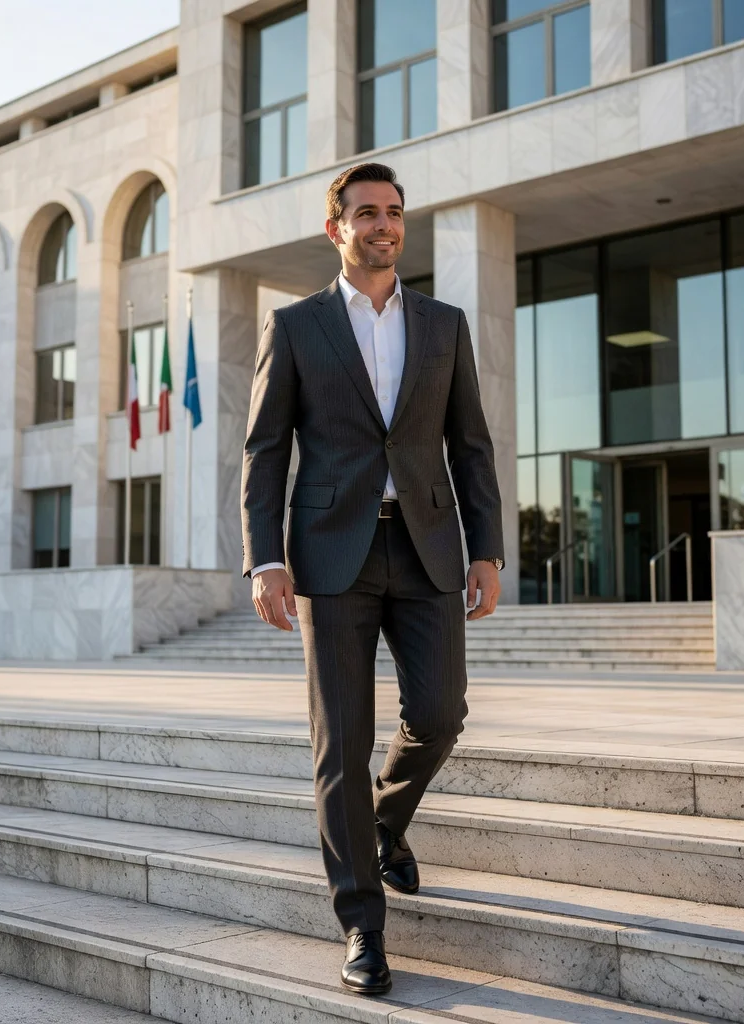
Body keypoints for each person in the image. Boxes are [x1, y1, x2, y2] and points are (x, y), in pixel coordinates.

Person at [241, 162, 504, 996]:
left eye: (394, 213)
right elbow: (264, 450)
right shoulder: (295, 326)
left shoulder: (444, 324)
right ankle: (361, 924)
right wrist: (266, 556)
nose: (384, 225)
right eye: (366, 214)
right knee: (340, 744)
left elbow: (471, 444)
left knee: (440, 712)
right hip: (329, 554)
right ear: (336, 228)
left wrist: (488, 549)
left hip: (427, 547)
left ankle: (383, 823)